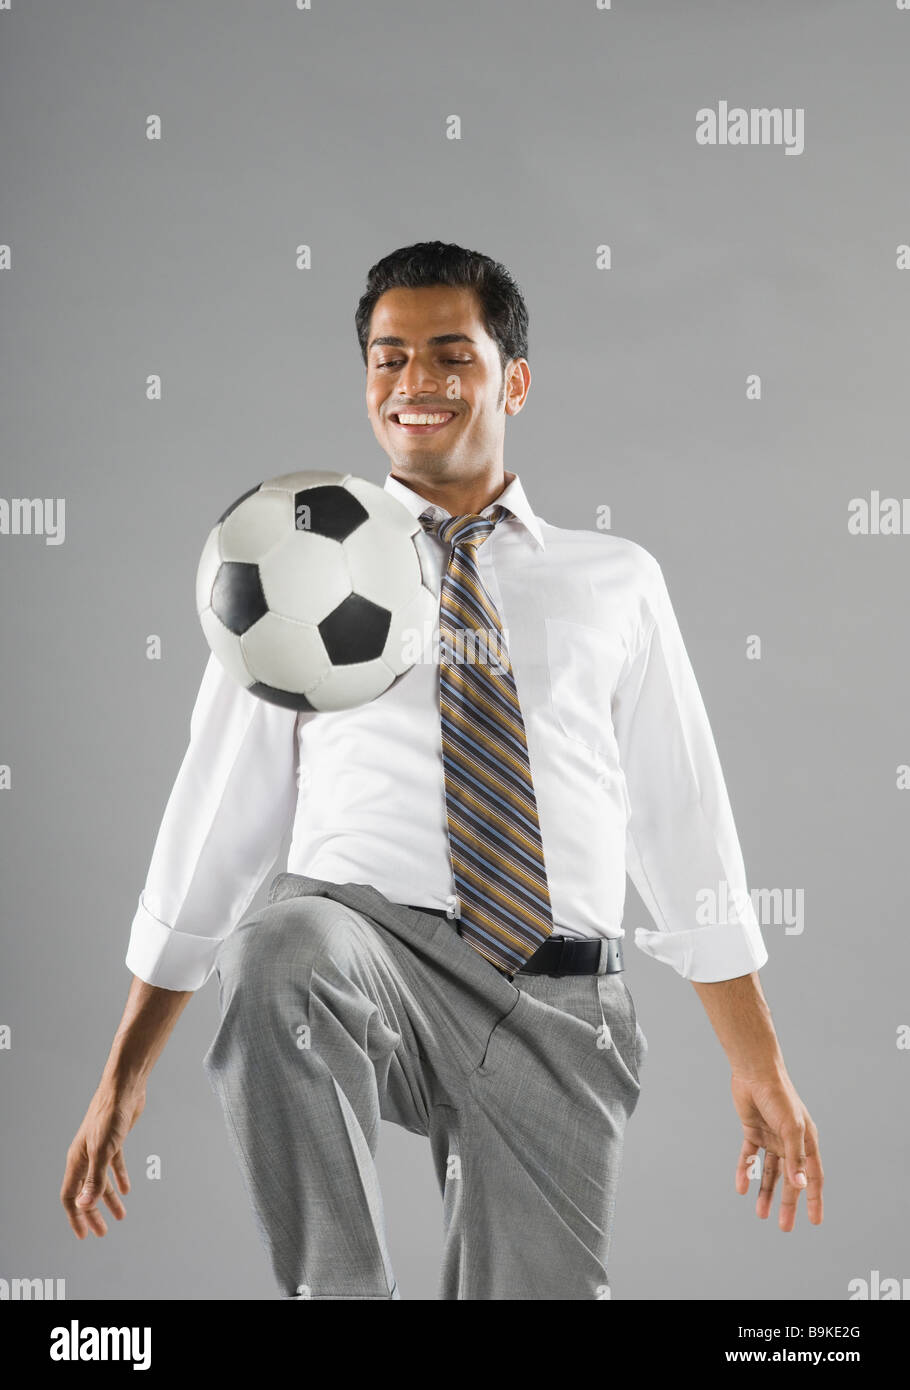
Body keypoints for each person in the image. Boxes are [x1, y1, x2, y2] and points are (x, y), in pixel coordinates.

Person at [61, 240, 824, 1300]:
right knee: (280, 940)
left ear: (513, 378)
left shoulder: (615, 582)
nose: (415, 381)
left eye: (450, 355)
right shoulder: (290, 569)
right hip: (372, 957)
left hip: (558, 997)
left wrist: (758, 1059)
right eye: (387, 358)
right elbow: (214, 826)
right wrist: (124, 1072)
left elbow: (681, 818)